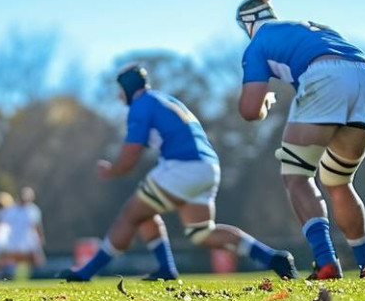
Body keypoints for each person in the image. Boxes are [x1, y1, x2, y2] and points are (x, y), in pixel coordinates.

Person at [62, 64, 296, 282]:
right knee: (201, 233)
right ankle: (272, 257)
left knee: (130, 216)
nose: (118, 96)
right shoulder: (165, 99)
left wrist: (112, 170)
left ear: (127, 88)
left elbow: (129, 158)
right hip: (208, 167)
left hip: (182, 167)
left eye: (119, 90)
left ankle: (86, 272)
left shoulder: (141, 105)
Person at [234, 0, 365, 279]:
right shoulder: (309, 27)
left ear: (246, 24)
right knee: (338, 181)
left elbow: (250, 111)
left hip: (322, 74)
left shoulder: (257, 43)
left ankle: (326, 262)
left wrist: (265, 104)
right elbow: (343, 82)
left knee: (297, 175)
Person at [19, 186, 47, 267]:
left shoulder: (33, 210)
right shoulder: (14, 210)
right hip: (16, 242)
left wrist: (41, 238)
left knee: (36, 262)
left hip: (31, 241)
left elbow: (37, 226)